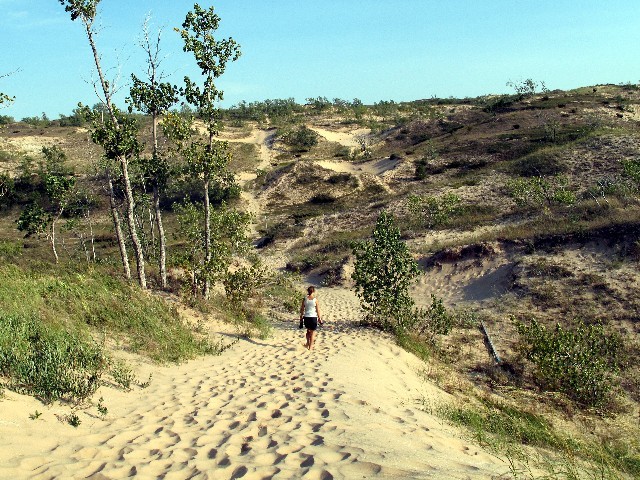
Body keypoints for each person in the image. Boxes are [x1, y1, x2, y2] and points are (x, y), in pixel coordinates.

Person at [299, 286, 322, 350]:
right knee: (313, 332)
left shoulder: (305, 299)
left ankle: (307, 343)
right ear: (313, 291)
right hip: (313, 317)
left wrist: (301, 317)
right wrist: (320, 318)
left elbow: (302, 309)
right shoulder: (315, 300)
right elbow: (318, 310)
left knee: (308, 331)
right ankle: (310, 347)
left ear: (308, 291)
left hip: (306, 317)